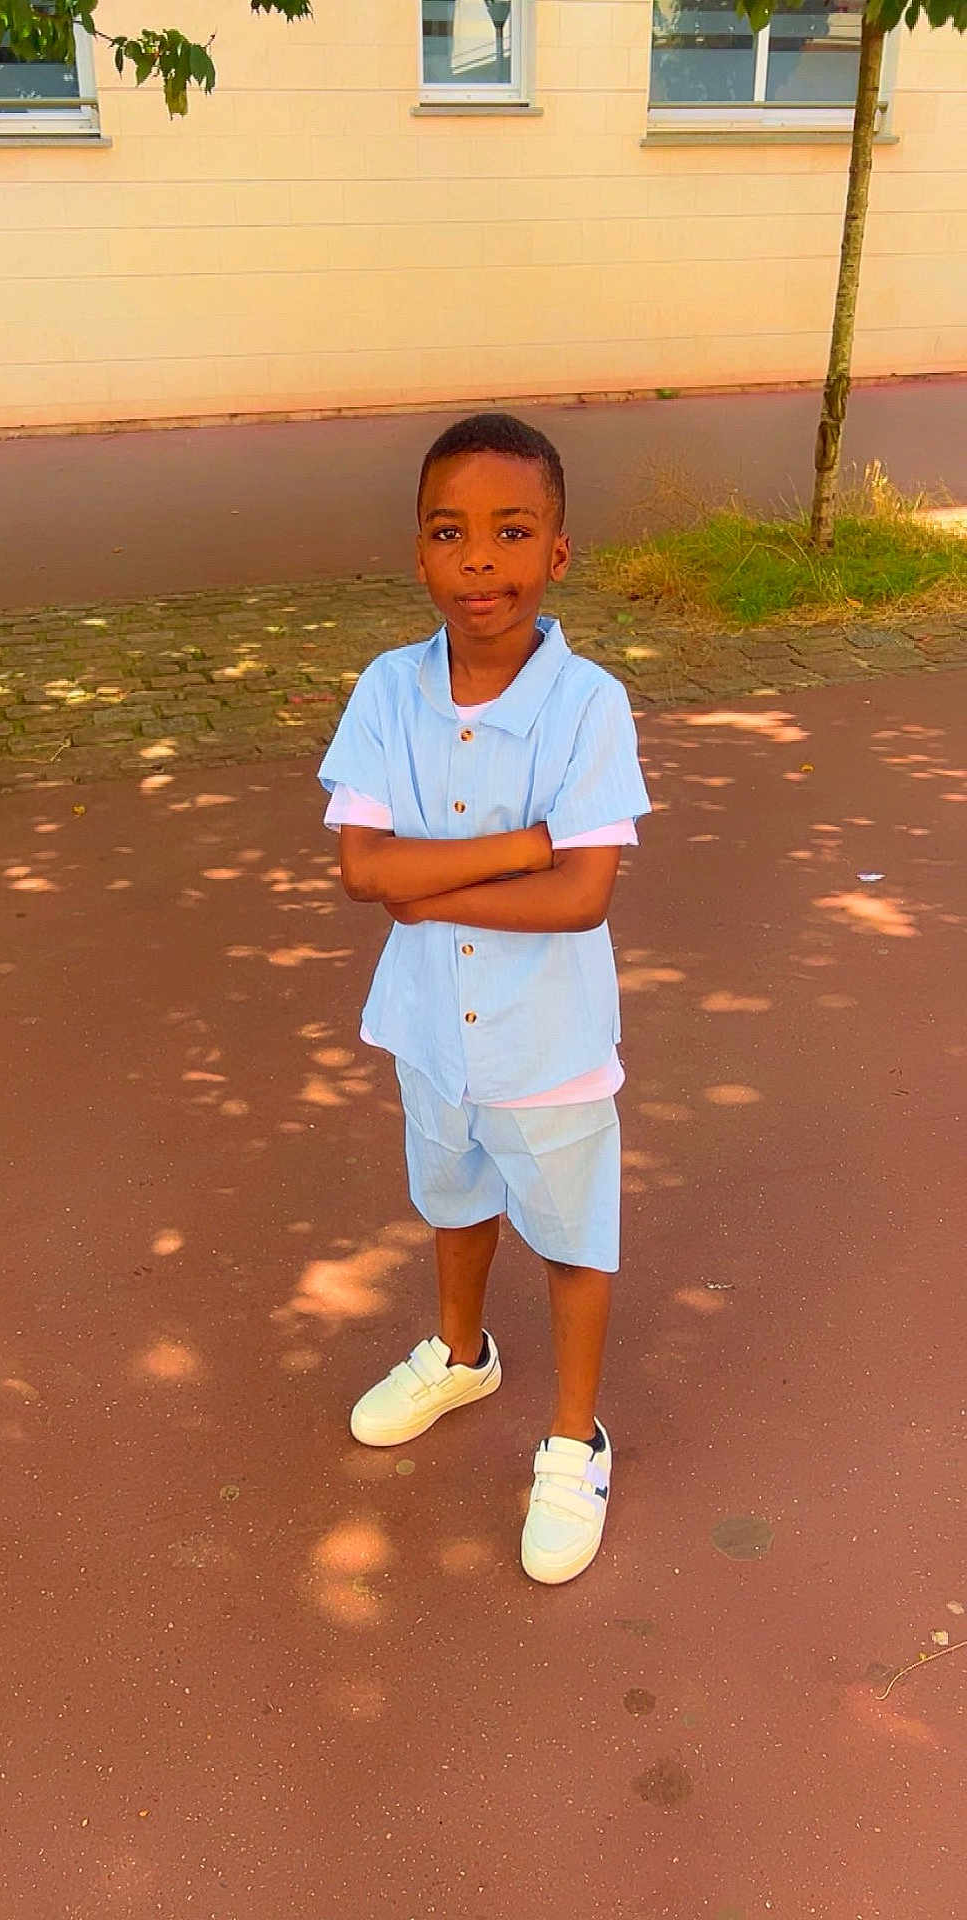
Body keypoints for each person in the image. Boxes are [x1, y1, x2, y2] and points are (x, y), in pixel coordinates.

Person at [318, 412, 650, 1585]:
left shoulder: (588, 706)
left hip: (546, 1041)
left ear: (558, 553)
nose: (480, 560)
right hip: (428, 1028)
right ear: (418, 552)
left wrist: (433, 883)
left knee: (570, 1232)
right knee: (453, 1195)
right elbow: (365, 872)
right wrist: (524, 846)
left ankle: (574, 1437)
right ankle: (461, 1354)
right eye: (449, 533)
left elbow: (584, 898)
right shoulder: (387, 692)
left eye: (512, 533)